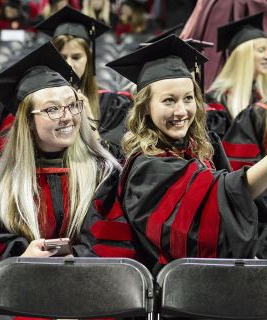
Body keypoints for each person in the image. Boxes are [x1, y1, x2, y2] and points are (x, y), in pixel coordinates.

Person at [0, 42, 134, 281]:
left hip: (91, 293)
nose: (67, 116)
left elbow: (117, 246)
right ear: (27, 121)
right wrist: (22, 258)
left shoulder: (103, 174)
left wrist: (69, 260)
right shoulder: (1, 182)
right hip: (24, 294)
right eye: (52, 109)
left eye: (72, 105)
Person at [107, 34, 267, 273]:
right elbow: (216, 210)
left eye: (188, 98)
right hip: (179, 298)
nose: (181, 111)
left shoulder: (196, 150)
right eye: (169, 101)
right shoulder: (146, 168)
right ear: (146, 108)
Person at [35, 5, 132, 146]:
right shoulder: (38, 103)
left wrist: (89, 120)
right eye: (62, 57)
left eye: (76, 57)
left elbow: (116, 161)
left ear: (88, 59)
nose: (69, 64)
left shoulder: (112, 105)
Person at [206, 12, 267, 139]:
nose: (266, 56)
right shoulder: (218, 98)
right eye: (261, 50)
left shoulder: (259, 93)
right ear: (243, 56)